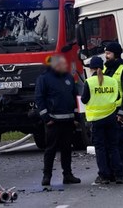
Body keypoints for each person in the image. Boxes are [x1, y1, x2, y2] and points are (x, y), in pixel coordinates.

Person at [35, 55, 81, 186]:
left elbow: (75, 98)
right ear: (55, 66)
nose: (65, 66)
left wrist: (76, 117)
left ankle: (68, 175)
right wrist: (46, 118)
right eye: (62, 64)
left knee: (67, 149)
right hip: (53, 122)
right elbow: (39, 99)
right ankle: (47, 176)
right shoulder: (44, 79)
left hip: (68, 121)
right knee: (51, 149)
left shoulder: (69, 78)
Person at [81, 56, 123, 184]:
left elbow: (84, 99)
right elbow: (117, 96)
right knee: (113, 147)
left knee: (100, 148)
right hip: (111, 117)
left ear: (92, 69)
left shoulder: (89, 82)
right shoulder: (111, 81)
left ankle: (104, 176)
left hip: (97, 119)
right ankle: (119, 175)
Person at [103, 42, 123, 182]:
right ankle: (114, 172)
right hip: (106, 112)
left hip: (118, 112)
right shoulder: (105, 69)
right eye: (105, 52)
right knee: (110, 145)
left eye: (108, 53)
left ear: (115, 54)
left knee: (121, 143)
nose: (106, 55)